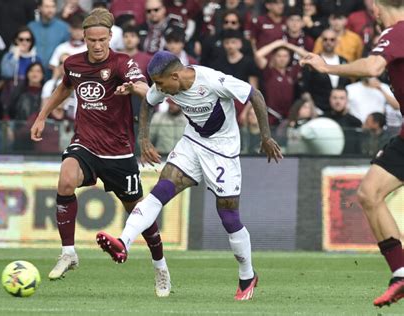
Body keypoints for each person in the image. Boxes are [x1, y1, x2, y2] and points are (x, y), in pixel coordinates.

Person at [95, 50, 283, 301]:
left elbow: (255, 95)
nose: (159, 89)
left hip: (223, 152)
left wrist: (265, 136)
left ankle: (247, 274)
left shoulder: (212, 80)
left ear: (174, 75)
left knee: (228, 216)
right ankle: (123, 242)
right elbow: (148, 104)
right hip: (192, 144)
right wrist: (143, 139)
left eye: (161, 84)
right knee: (160, 191)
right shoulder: (165, 84)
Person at [29, 8, 171, 298]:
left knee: (139, 214)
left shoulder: (121, 63)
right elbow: (65, 87)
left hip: (118, 152)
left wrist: (135, 88)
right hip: (86, 144)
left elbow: (143, 87)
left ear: (110, 37)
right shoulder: (73, 63)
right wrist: (43, 114)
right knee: (65, 179)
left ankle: (161, 267)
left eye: (102, 40)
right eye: (91, 40)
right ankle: (68, 253)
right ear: (84, 38)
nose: (96, 45)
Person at [301, 0, 404, 307]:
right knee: (370, 193)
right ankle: (400, 273)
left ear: (374, 5)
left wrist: (326, 66)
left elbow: (373, 67)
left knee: (370, 193)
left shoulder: (396, 33)